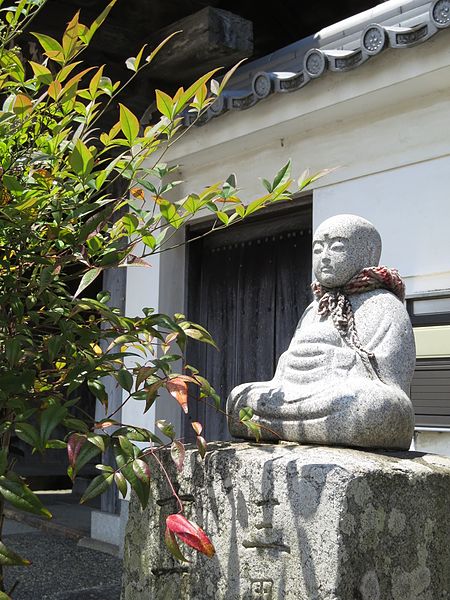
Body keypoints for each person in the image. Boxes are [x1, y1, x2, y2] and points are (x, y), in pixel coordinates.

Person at [227, 214, 416, 450]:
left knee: (375, 407)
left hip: (348, 396)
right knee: (239, 399)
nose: (324, 257)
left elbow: (391, 378)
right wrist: (292, 362)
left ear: (368, 252)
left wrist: (336, 360)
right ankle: (306, 426)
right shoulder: (315, 308)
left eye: (336, 248)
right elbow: (283, 375)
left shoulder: (384, 306)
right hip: (304, 393)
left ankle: (301, 425)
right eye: (317, 249)